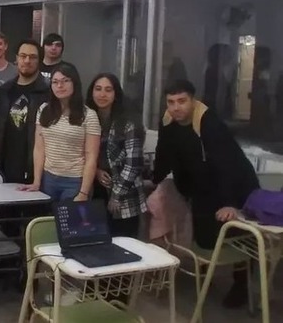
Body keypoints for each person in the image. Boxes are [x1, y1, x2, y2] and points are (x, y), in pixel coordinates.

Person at [153, 79, 259, 308]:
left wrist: (230, 203)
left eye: (182, 101)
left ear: (193, 100)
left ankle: (241, 284)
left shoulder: (210, 124)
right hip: (203, 187)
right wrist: (153, 179)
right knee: (205, 238)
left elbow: (227, 165)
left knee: (238, 238)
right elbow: (164, 152)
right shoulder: (168, 122)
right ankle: (205, 275)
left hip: (235, 185)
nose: (176, 107)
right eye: (171, 102)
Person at [23, 63, 101, 201]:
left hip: (75, 181)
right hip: (48, 178)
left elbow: (91, 157)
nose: (60, 86)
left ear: (74, 83)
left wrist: (83, 192)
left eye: (65, 81)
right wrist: (37, 181)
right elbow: (39, 149)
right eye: (55, 82)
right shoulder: (44, 110)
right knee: (47, 221)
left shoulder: (89, 115)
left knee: (69, 222)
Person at [86, 73, 147, 237]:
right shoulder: (88, 118)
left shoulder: (128, 122)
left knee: (124, 244)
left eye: (108, 90)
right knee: (99, 242)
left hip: (124, 193)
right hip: (96, 190)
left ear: (116, 94)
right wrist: (96, 171)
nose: (102, 94)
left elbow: (134, 164)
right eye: (98, 89)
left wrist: (117, 195)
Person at [0, 39, 50, 185]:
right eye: (23, 56)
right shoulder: (5, 90)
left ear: (39, 61)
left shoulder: (48, 92)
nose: (27, 61)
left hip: (35, 168)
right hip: (5, 167)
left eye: (33, 57)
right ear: (16, 58)